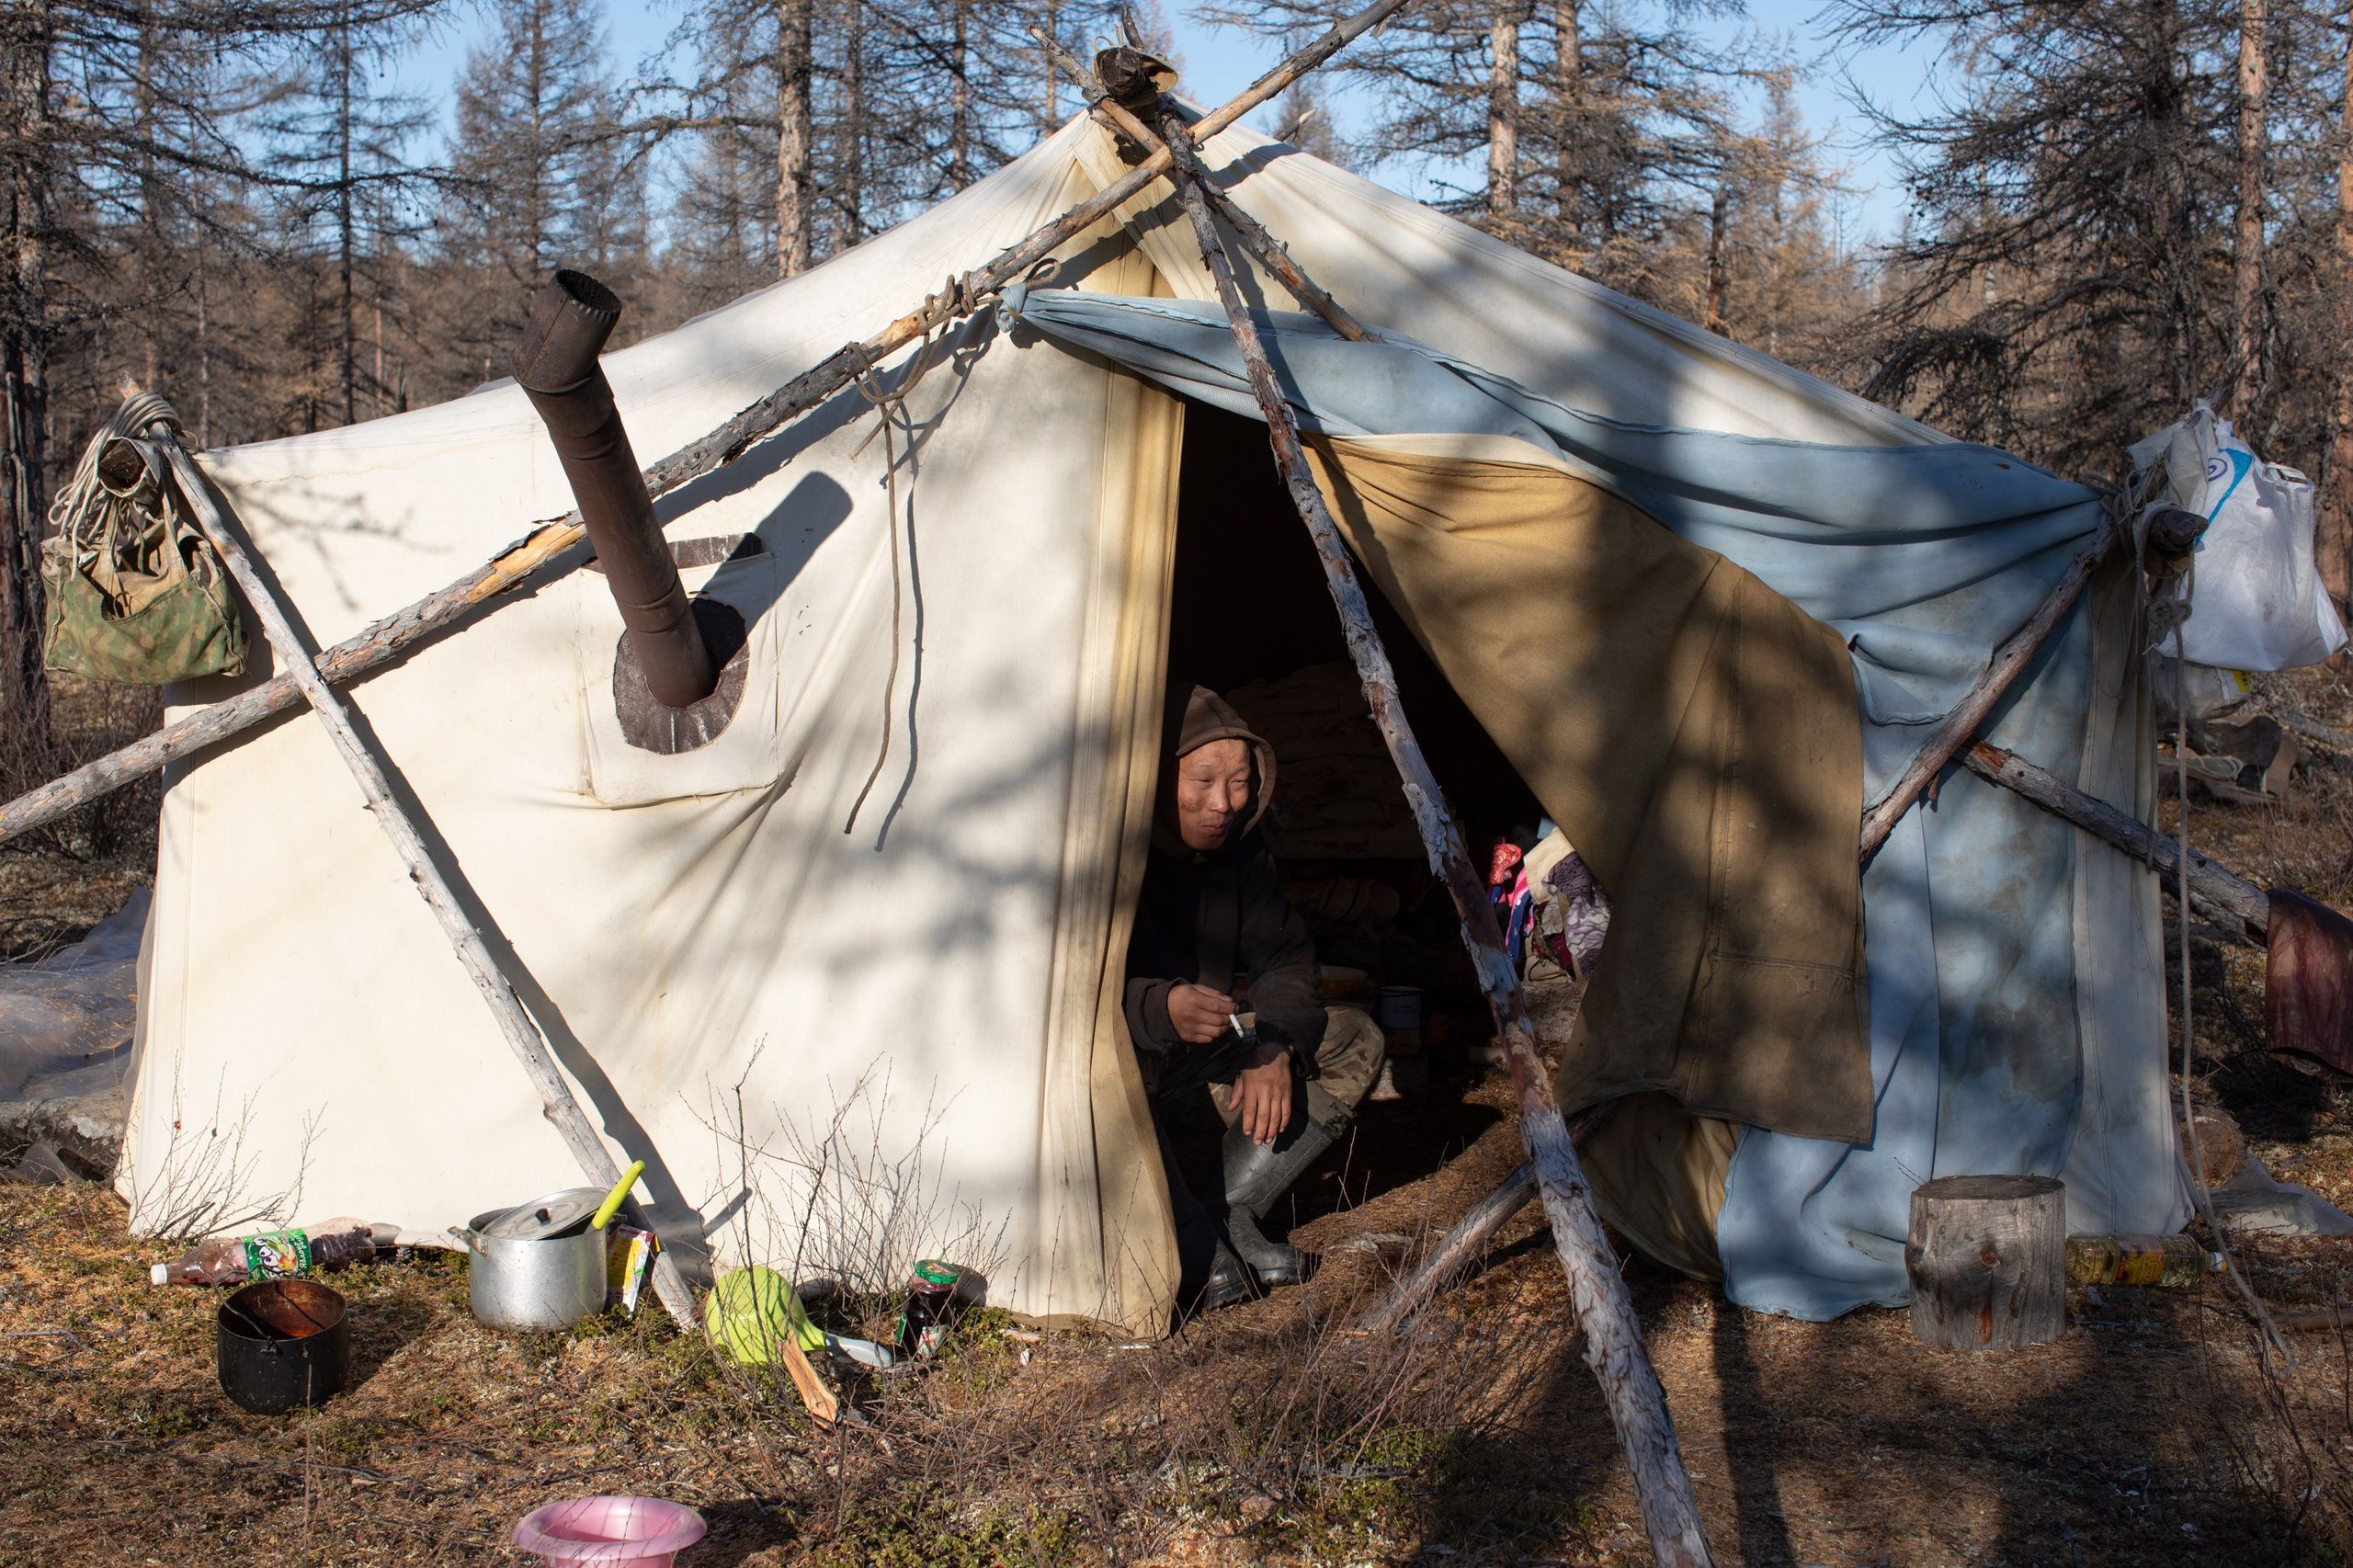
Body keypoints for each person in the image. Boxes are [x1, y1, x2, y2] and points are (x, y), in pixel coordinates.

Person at [1125, 682, 1385, 1312]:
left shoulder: (1241, 851)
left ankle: (1227, 1212)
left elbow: (1286, 959)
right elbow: (1064, 989)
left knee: (1353, 1037)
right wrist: (1159, 1008)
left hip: (1198, 1061)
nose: (1223, 803)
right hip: (1125, 1059)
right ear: (1155, 778)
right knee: (1101, 1067)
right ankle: (1187, 1240)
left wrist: (1275, 1043)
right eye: (1203, 781)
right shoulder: (1107, 851)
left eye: (1239, 782)